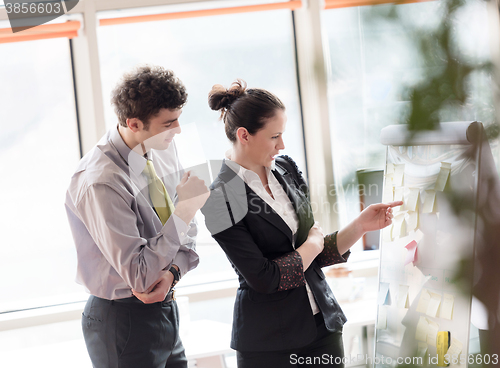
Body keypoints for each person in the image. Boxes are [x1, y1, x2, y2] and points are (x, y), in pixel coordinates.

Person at [201, 80, 401, 368]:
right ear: (244, 135)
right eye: (275, 137)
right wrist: (312, 245)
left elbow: (313, 253)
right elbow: (264, 278)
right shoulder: (219, 197)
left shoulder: (286, 168)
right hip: (269, 344)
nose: (282, 145)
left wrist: (360, 226)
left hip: (324, 327)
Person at [65, 65, 209, 368]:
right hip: (122, 321)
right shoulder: (101, 181)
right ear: (133, 123)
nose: (178, 130)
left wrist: (174, 273)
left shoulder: (161, 146)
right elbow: (141, 275)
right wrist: (184, 210)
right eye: (169, 123)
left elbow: (187, 227)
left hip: (165, 309)